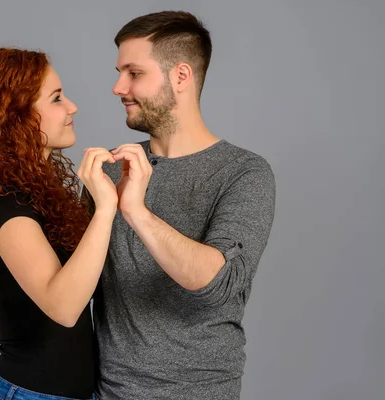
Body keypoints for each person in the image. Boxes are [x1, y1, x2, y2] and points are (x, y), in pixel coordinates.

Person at [86, 11, 277, 399]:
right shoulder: (107, 172)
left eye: (133, 73)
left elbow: (217, 285)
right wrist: (12, 375)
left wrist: (135, 211)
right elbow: (68, 289)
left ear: (181, 76)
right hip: (106, 392)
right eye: (119, 72)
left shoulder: (243, 173)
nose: (117, 86)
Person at [0, 48, 117, 400]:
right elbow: (63, 307)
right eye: (57, 98)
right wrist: (106, 209)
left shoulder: (37, 193)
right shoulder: (5, 205)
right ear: (18, 116)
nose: (72, 106)